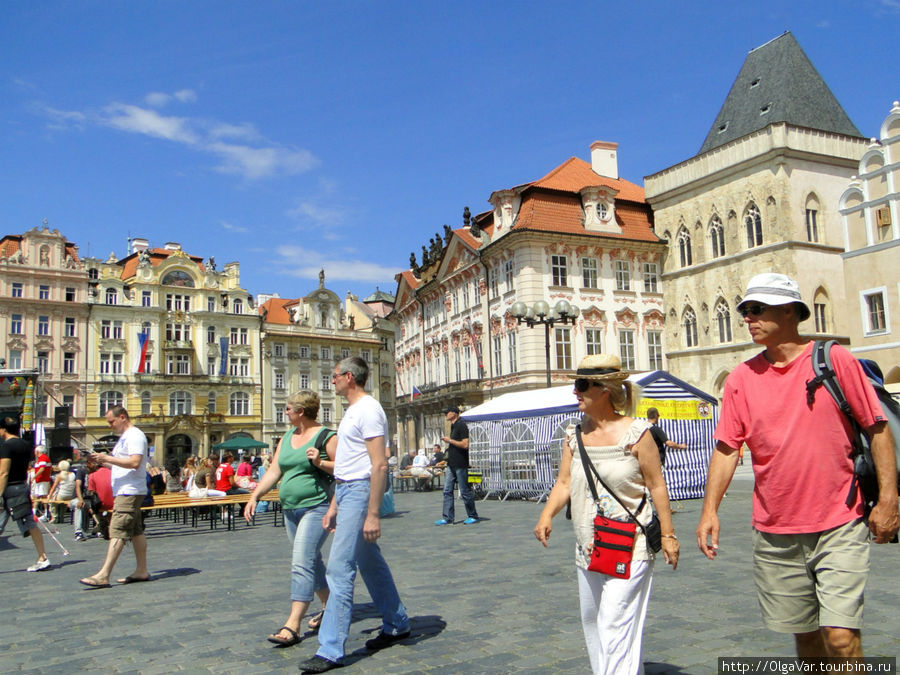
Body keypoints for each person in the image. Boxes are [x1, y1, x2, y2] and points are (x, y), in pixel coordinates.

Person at [697, 272, 899, 659]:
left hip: (840, 520)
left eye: (757, 309)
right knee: (806, 642)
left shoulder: (834, 360)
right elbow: (726, 449)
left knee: (840, 639)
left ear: (789, 311)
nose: (747, 318)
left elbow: (877, 429)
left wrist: (889, 498)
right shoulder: (740, 378)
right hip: (776, 531)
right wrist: (709, 510)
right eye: (745, 310)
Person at [534, 354, 679, 675]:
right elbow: (563, 483)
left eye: (582, 385)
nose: (576, 392)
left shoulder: (638, 434)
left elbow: (657, 486)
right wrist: (547, 515)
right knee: (595, 622)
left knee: (613, 624)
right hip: (589, 545)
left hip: (631, 545)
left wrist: (668, 536)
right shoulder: (574, 435)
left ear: (604, 390)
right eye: (576, 384)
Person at [298, 357, 410, 674]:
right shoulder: (352, 412)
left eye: (334, 376)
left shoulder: (369, 410)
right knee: (369, 562)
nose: (331, 381)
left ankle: (331, 648)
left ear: (349, 377)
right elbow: (348, 464)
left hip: (361, 492)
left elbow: (379, 465)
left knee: (339, 568)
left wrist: (373, 513)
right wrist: (334, 504)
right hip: (348, 491)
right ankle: (397, 622)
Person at [245, 390, 337, 647]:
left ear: (301, 412)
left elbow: (343, 469)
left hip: (316, 506)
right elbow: (275, 470)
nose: (285, 412)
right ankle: (332, 604)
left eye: (288, 408)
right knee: (311, 560)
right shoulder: (286, 437)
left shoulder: (326, 437)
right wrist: (256, 496)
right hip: (290, 508)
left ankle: (293, 623)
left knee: (301, 561)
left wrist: (320, 463)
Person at [80, 406, 151, 587]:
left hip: (129, 490)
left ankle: (104, 574)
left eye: (112, 421)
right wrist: (102, 462)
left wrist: (108, 458)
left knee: (117, 530)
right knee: (135, 531)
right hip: (126, 489)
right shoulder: (126, 437)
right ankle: (142, 570)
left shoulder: (134, 435)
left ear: (122, 417)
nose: (110, 426)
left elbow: (135, 462)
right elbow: (122, 465)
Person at [0, 416, 52, 571]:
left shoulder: (6, 446)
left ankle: (43, 558)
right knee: (30, 523)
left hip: (9, 488)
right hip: (22, 486)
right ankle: (42, 557)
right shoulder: (26, 445)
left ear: (3, 429)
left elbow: (3, 472)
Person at [435, 405, 479, 525]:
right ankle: (448, 517)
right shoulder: (453, 426)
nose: (445, 415)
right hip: (451, 463)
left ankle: (472, 515)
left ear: (454, 413)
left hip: (460, 463)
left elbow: (465, 444)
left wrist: (450, 441)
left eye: (447, 412)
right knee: (447, 490)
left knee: (464, 490)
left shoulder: (461, 425)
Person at [47, 459, 76, 524]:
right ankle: (61, 516)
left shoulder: (59, 476)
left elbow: (53, 488)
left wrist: (49, 496)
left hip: (61, 495)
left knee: (53, 502)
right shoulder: (73, 474)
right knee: (63, 503)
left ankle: (55, 516)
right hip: (70, 495)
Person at [32, 445, 52, 520]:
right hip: (40, 480)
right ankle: (34, 513)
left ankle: (46, 514)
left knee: (43, 496)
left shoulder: (43, 458)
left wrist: (34, 476)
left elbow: (42, 469)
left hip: (42, 480)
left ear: (37, 452)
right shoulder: (41, 459)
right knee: (37, 496)